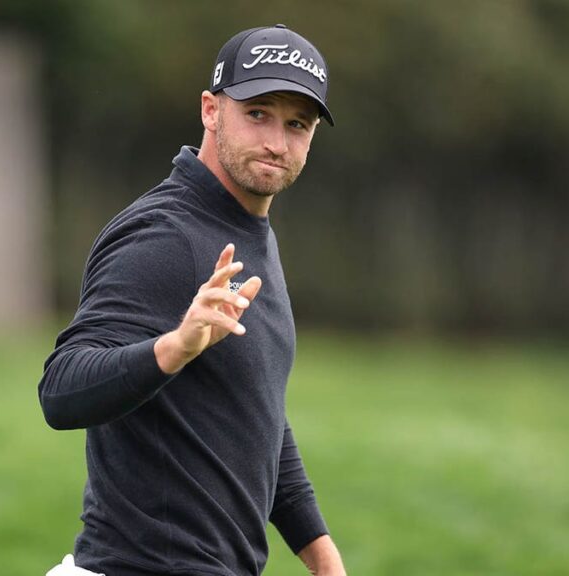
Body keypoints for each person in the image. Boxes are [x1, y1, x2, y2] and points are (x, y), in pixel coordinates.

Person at [39, 24, 347, 576]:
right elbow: (60, 392)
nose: (277, 143)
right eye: (258, 113)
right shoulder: (166, 236)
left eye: (296, 124)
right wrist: (175, 347)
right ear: (211, 110)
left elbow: (255, 409)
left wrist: (321, 555)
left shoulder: (247, 231)